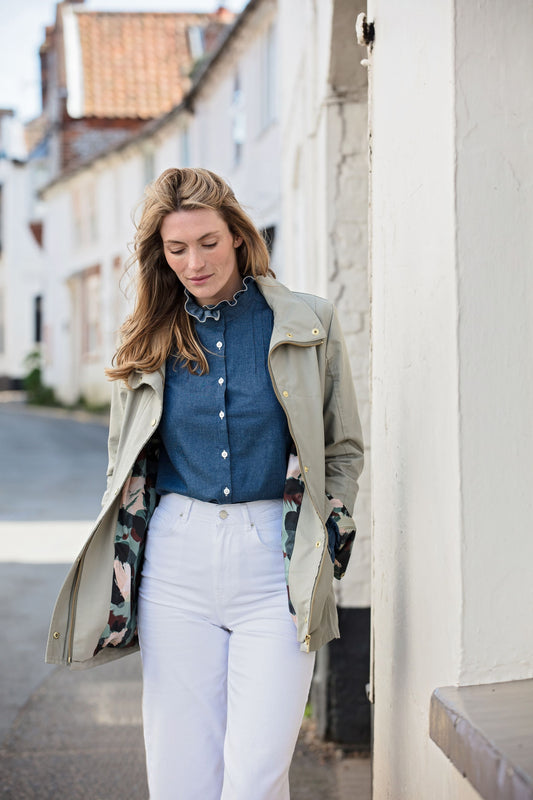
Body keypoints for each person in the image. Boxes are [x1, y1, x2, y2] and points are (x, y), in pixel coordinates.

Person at [46, 167, 364, 800]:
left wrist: (329, 533)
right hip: (177, 559)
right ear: (160, 254)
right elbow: (123, 463)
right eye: (177, 248)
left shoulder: (307, 323)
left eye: (209, 242)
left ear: (239, 237)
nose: (195, 261)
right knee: (181, 771)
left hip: (277, 554)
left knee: (256, 772)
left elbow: (343, 448)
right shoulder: (146, 338)